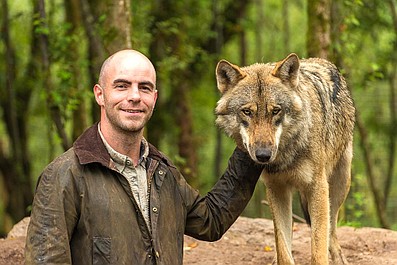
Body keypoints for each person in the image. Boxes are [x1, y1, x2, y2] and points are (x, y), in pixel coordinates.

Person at [25, 49, 263, 265]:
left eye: (145, 88)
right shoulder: (65, 175)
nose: (135, 96)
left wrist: (253, 144)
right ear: (100, 94)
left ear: (154, 98)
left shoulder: (163, 173)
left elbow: (212, 221)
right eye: (122, 86)